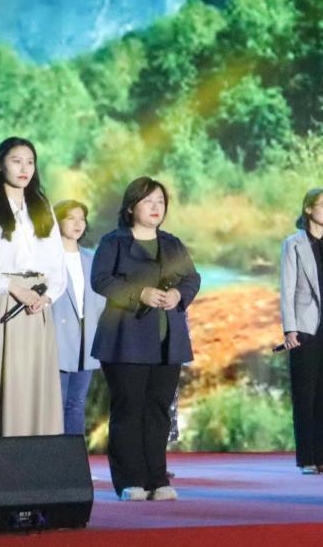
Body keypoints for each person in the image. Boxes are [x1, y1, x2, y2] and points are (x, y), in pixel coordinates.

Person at [92, 177, 200, 502]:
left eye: (160, 202)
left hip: (168, 341)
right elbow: (100, 280)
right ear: (131, 207)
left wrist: (179, 294)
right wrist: (139, 293)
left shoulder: (172, 243)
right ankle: (130, 480)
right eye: (148, 201)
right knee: (129, 410)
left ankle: (157, 479)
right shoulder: (114, 242)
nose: (156, 207)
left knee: (158, 411)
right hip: (125, 340)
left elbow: (192, 278)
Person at [0, 137, 67, 438]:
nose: (24, 169)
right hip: (3, 297)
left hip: (38, 302)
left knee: (34, 379)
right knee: (4, 377)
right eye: (16, 161)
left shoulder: (42, 206)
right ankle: (0, 446)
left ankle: (35, 445)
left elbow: (56, 262)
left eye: (30, 162)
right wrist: (15, 288)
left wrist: (48, 296)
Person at [280, 188, 323, 474]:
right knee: (305, 393)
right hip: (305, 326)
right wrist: (289, 328)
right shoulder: (294, 243)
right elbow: (287, 288)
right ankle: (306, 458)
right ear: (308, 209)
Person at [53, 199, 107, 437]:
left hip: (87, 340)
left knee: (76, 404)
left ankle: (75, 455)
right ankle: (54, 454)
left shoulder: (92, 258)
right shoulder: (47, 258)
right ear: (57, 221)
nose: (77, 224)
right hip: (57, 340)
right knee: (56, 404)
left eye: (82, 219)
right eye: (70, 218)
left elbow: (101, 300)